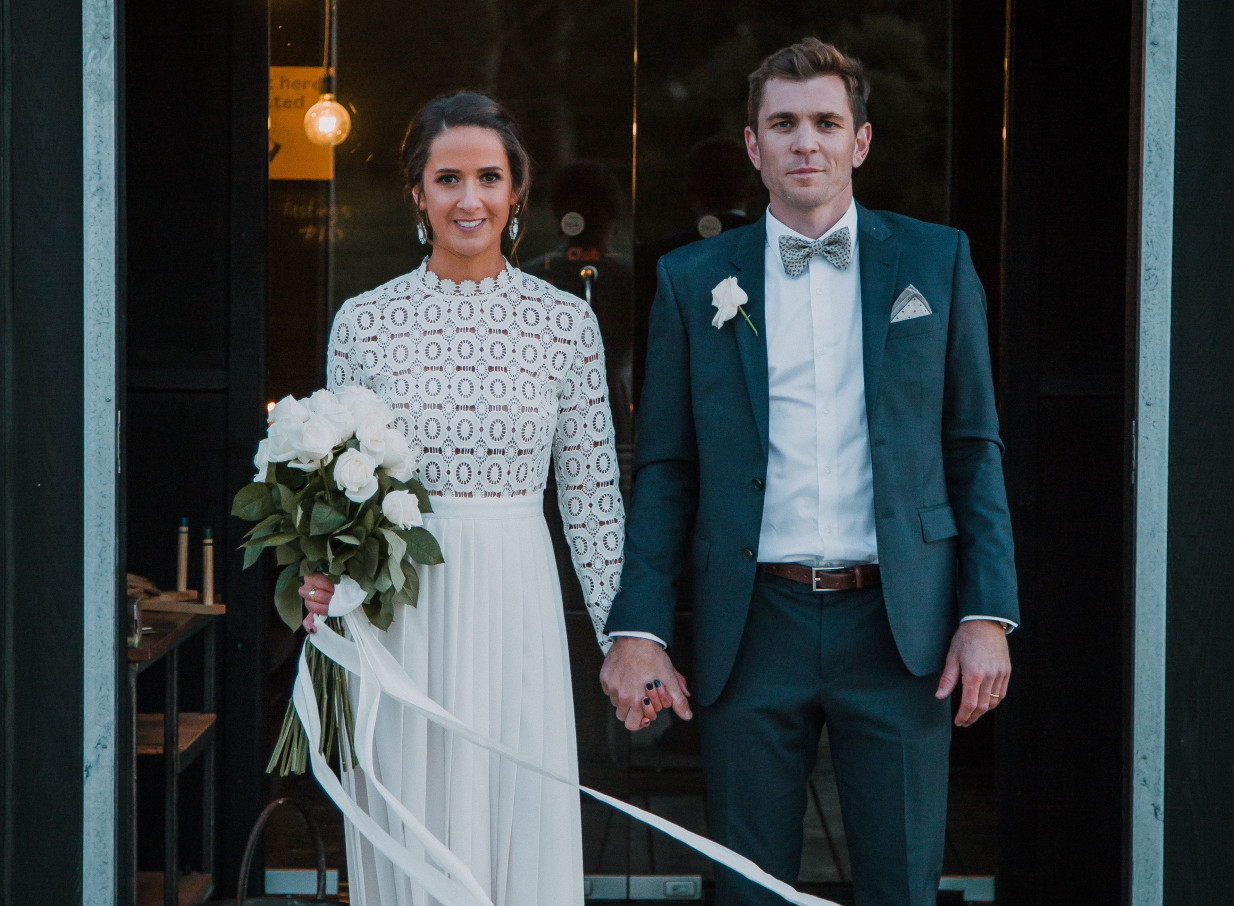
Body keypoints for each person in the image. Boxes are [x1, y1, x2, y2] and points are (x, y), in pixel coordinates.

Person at [601, 38, 1019, 906]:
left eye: (827, 122)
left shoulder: (937, 262)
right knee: (750, 888)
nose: (806, 143)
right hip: (753, 625)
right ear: (753, 147)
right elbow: (669, 466)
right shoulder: (691, 279)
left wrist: (987, 613)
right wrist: (639, 622)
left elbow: (973, 445)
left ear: (859, 141)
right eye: (783, 124)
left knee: (901, 883)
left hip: (899, 627)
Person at [300, 91, 623, 906]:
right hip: (404, 602)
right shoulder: (364, 323)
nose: (469, 199)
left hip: (518, 594)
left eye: (489, 178)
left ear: (517, 192)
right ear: (417, 193)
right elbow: (340, 483)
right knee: (416, 810)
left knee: (516, 803)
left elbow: (590, 493)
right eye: (448, 179)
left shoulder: (565, 325)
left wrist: (624, 636)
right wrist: (323, 573)